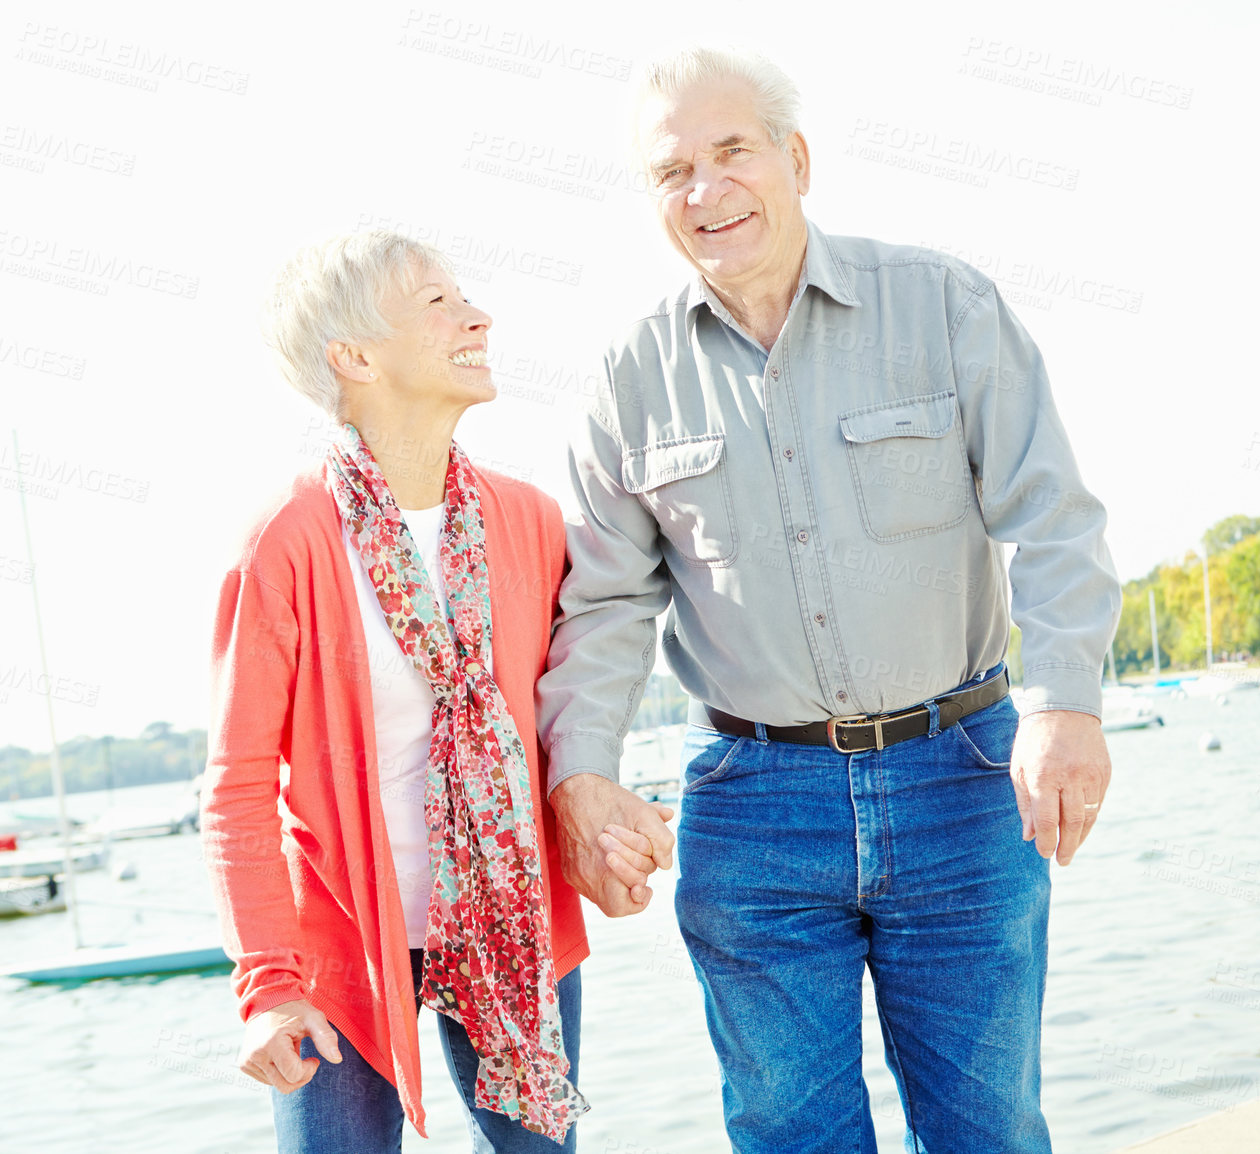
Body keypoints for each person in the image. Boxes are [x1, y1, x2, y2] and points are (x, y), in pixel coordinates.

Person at [538, 48, 1121, 1153]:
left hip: (961, 778)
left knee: (987, 1127)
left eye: (731, 153)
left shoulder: (942, 304)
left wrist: (1064, 701)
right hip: (755, 807)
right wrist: (581, 774)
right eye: (672, 173)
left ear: (794, 159)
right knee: (788, 1135)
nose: (705, 191)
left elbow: (1051, 515)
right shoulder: (626, 378)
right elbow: (604, 603)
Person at [203, 231, 629, 1152]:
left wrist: (601, 824)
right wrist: (268, 988)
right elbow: (235, 787)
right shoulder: (288, 539)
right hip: (343, 941)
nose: (478, 317)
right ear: (355, 358)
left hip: (512, 919)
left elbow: (570, 708)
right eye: (437, 304)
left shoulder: (530, 519)